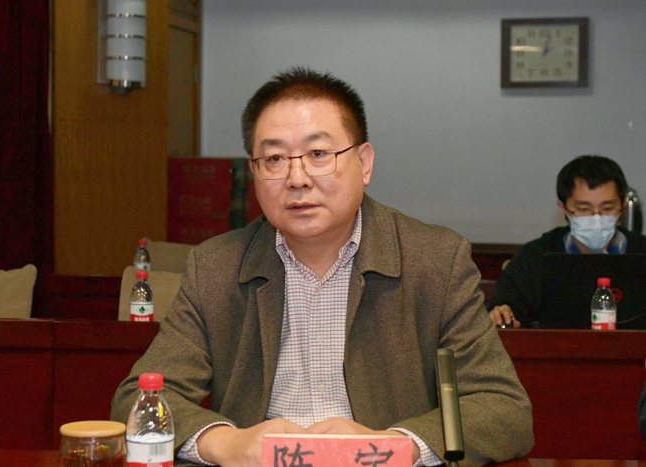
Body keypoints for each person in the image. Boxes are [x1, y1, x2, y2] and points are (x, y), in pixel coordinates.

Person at [111, 67, 533, 466]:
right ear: (254, 171)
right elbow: (138, 399)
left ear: (364, 163)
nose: (297, 178)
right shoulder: (215, 267)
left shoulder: (435, 260)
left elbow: (503, 407)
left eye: (318, 153)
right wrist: (228, 443)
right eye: (274, 159)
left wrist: (391, 447)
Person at [488, 155, 646, 328]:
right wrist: (503, 314)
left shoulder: (641, 250)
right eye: (583, 209)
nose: (596, 219)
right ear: (563, 208)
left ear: (622, 205)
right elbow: (505, 309)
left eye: (607, 208)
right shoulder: (535, 256)